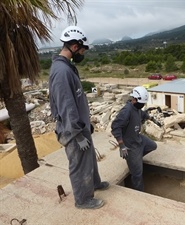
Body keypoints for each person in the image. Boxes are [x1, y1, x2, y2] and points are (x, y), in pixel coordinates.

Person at [49, 25, 109, 209]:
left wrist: (86, 124)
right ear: (74, 47)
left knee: (89, 157)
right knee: (79, 164)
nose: (82, 53)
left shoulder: (67, 68)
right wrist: (78, 134)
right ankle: (83, 200)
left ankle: (95, 183)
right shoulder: (62, 72)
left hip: (80, 125)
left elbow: (75, 100)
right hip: (72, 130)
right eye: (82, 49)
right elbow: (67, 107)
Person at [111, 86, 157, 191]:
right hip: (130, 145)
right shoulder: (126, 111)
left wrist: (151, 118)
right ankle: (139, 192)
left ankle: (135, 159)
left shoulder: (137, 108)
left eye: (143, 104)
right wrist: (122, 145)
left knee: (153, 146)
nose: (142, 106)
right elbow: (115, 127)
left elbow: (142, 113)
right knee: (137, 173)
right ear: (134, 99)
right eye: (141, 104)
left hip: (137, 138)